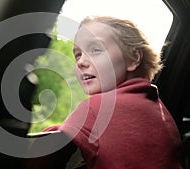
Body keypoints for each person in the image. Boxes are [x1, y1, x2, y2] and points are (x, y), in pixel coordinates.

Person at [39, 16, 183, 169]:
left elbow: (37, 153)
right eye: (78, 55)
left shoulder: (99, 107)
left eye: (95, 50)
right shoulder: (160, 111)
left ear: (134, 58)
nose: (80, 62)